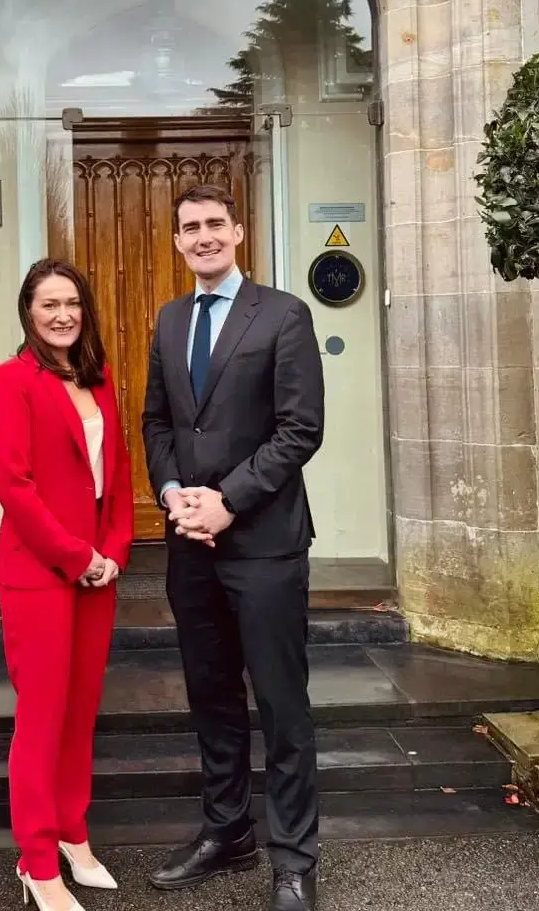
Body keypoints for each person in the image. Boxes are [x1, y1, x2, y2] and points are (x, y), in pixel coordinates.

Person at [141, 184, 325, 911]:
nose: (203, 236)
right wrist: (173, 493)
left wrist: (229, 500)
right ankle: (227, 832)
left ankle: (294, 859)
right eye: (190, 227)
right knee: (211, 695)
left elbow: (299, 429)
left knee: (282, 706)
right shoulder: (170, 318)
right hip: (191, 547)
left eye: (215, 223)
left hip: (266, 546)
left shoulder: (283, 314)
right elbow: (156, 423)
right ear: (178, 241)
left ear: (240, 232)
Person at [0, 258, 134, 911]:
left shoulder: (96, 382)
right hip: (40, 573)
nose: (63, 314)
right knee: (42, 720)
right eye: (49, 304)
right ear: (28, 313)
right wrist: (77, 556)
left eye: (72, 302)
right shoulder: (11, 380)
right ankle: (37, 861)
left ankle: (74, 833)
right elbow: (13, 486)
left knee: (79, 714)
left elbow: (120, 475)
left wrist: (116, 550)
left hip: (97, 573)